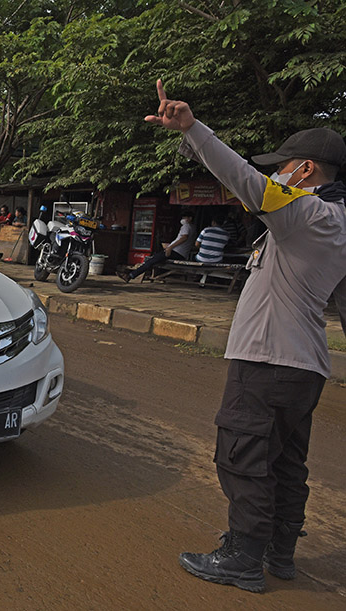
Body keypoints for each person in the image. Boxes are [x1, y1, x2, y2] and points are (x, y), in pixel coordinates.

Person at [144, 79, 346, 593]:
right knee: (283, 463)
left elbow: (248, 182)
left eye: (283, 164)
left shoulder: (310, 212)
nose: (276, 170)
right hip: (302, 364)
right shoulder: (332, 220)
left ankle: (242, 557)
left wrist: (192, 129)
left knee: (244, 456)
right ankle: (278, 553)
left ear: (305, 171)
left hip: (269, 360)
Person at [116, 211, 195, 281]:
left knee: (151, 260)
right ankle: (148, 275)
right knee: (155, 259)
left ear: (190, 218)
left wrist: (170, 247)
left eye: (185, 217)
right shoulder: (193, 227)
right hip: (180, 253)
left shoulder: (187, 226)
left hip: (176, 252)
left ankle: (130, 276)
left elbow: (184, 237)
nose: (183, 219)